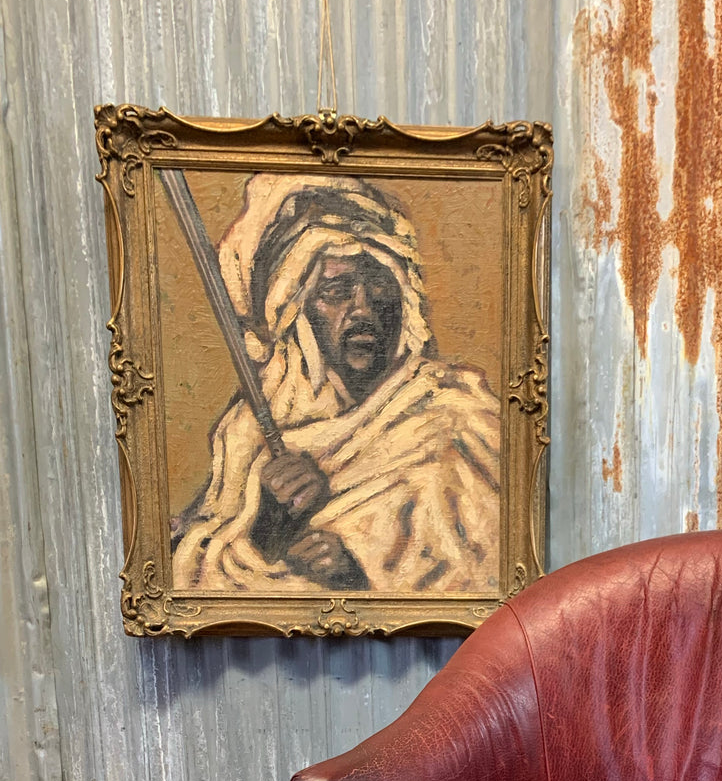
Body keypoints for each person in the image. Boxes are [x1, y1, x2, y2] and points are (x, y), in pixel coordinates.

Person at [172, 176, 501, 595]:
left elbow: (491, 569)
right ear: (299, 310)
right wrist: (268, 527)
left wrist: (358, 569)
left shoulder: (459, 416)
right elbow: (191, 580)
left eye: (380, 286)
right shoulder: (247, 436)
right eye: (336, 290)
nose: (362, 308)